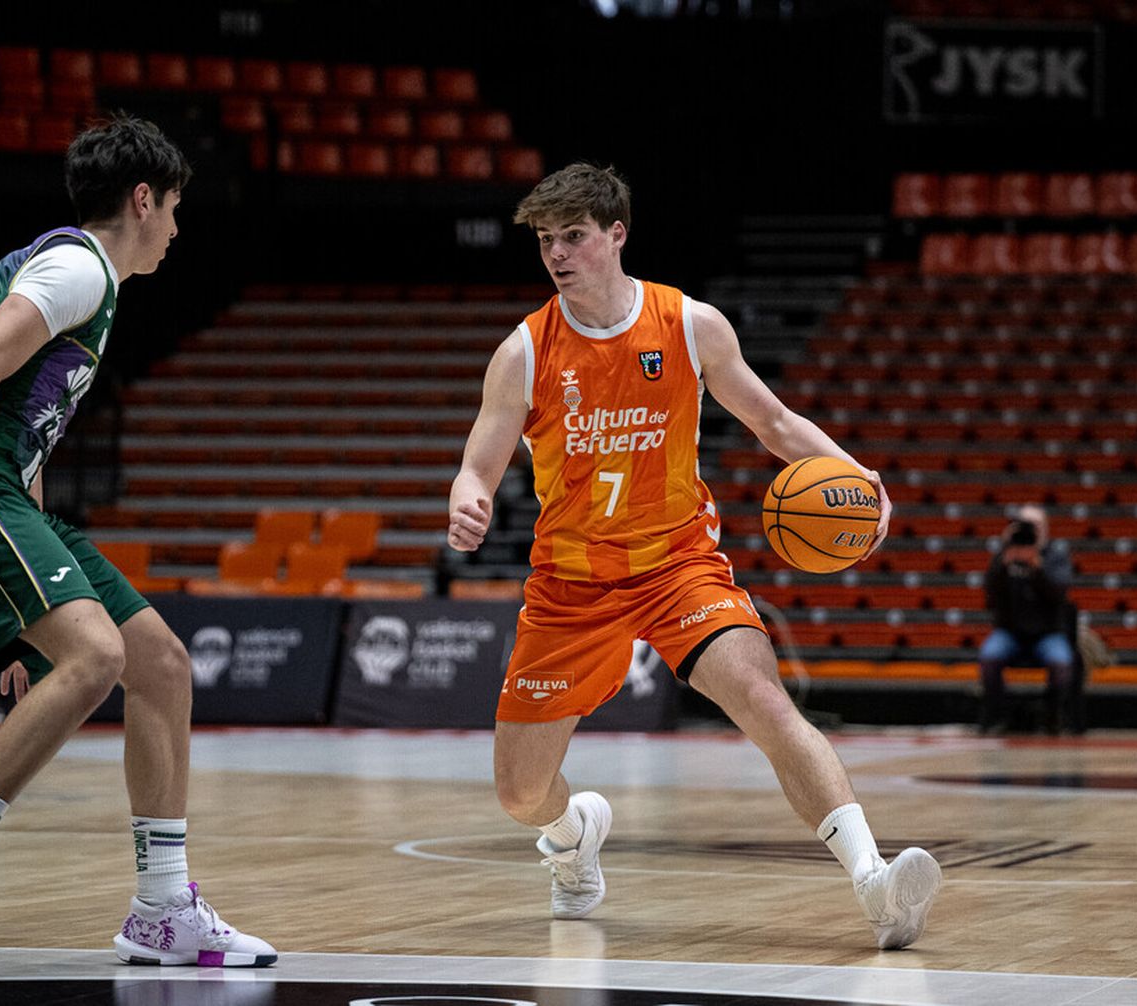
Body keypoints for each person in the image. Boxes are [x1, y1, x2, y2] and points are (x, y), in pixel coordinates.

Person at [447, 164, 941, 950]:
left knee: (766, 703)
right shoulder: (525, 351)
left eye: (572, 236)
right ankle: (575, 837)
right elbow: (481, 461)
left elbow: (774, 422)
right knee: (520, 794)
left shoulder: (688, 325)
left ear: (617, 235)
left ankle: (876, 882)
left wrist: (856, 477)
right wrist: (467, 495)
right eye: (545, 240)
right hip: (572, 586)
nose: (557, 254)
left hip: (678, 564)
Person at [0, 114, 275, 968]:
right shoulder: (79, 266)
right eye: (176, 208)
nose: (179, 230)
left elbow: (26, 425)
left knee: (160, 664)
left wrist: (19, 613)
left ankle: (163, 909)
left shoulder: (86, 278)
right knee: (94, 656)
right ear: (143, 199)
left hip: (1, 484)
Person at [978, 504, 1077, 734]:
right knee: (989, 658)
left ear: (1045, 529)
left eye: (1034, 526)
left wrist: (1037, 567)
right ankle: (999, 717)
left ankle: (1052, 718)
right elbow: (990, 590)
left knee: (1061, 662)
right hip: (1010, 632)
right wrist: (1004, 559)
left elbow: (1059, 594)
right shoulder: (1006, 555)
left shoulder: (1055, 556)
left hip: (1048, 633)